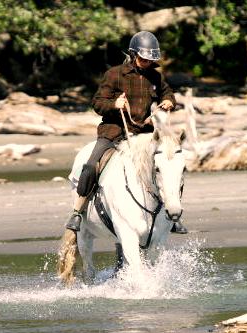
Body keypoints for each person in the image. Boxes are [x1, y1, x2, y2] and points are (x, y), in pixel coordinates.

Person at [66, 30, 187, 234]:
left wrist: (169, 101)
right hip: (113, 132)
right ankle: (78, 212)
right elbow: (97, 103)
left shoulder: (155, 76)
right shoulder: (114, 74)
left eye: (150, 60)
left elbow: (167, 92)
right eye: (143, 59)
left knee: (169, 167)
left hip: (144, 135)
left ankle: (172, 215)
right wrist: (114, 104)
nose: (147, 63)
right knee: (90, 165)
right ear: (133, 55)